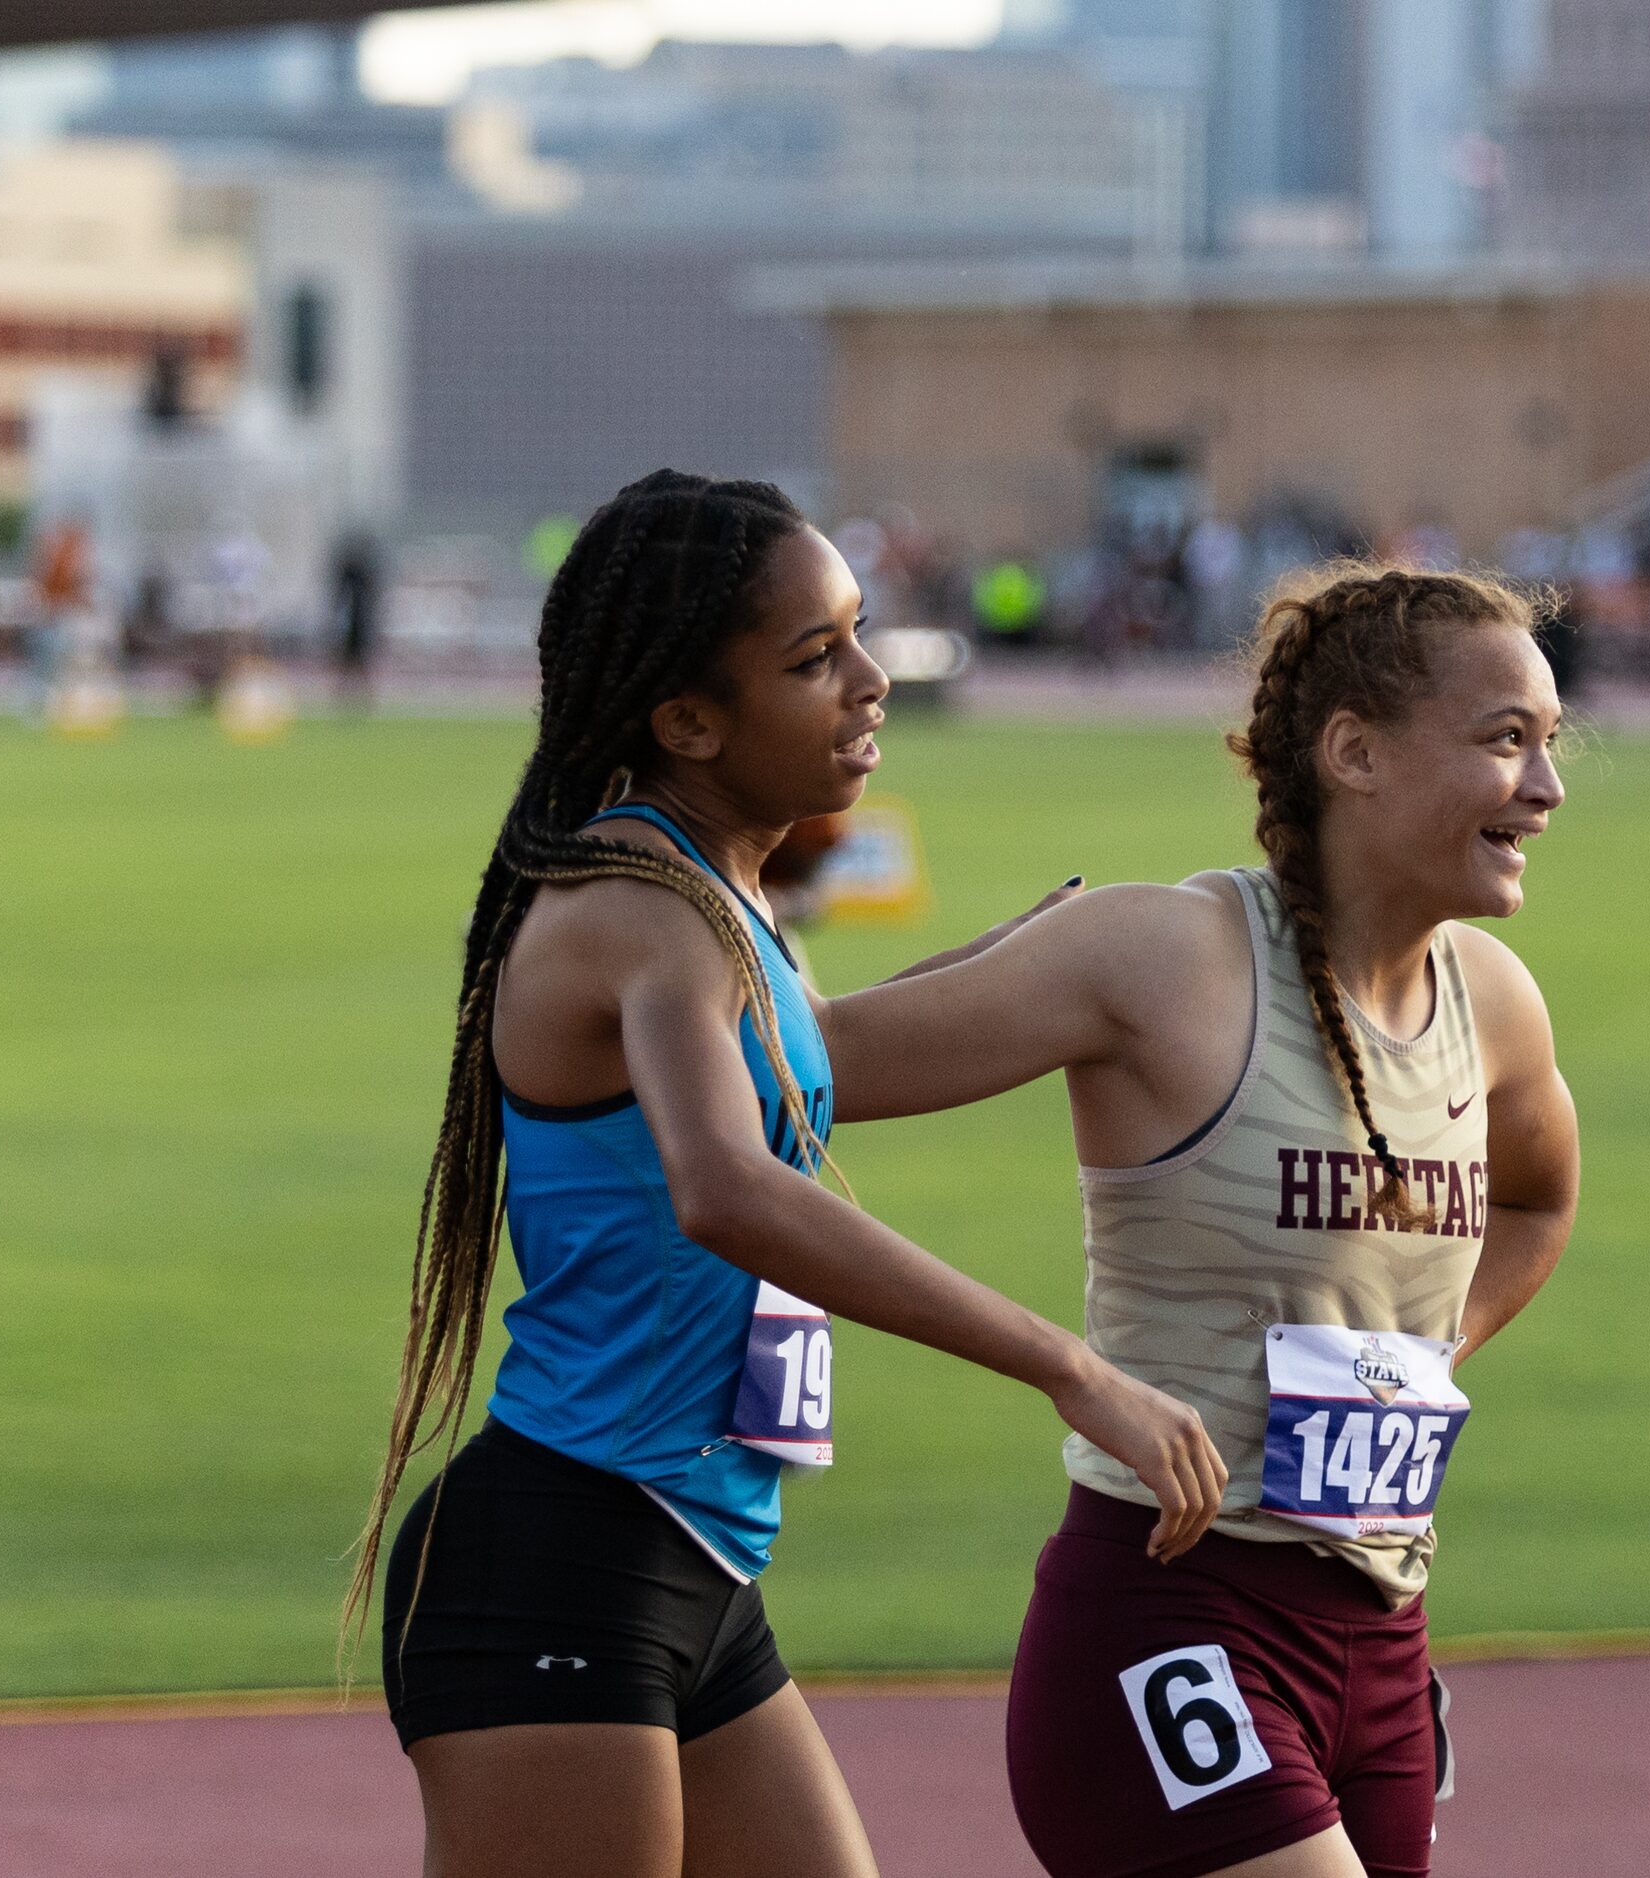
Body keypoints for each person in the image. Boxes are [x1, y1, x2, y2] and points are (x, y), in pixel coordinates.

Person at [349, 470, 1227, 1878]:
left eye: (860, 634)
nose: (872, 681)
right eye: (817, 658)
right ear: (687, 720)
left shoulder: (719, 897)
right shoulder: (643, 909)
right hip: (563, 1555)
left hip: (684, 1561)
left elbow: (818, 1067)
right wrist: (1071, 1364)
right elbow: (730, 1184)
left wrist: (1030, 966)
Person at [814, 564, 1584, 1877]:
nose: (1546, 790)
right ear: (1354, 751)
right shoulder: (1160, 958)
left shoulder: (1493, 1002)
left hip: (1382, 1644)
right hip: (1170, 1613)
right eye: (1505, 740)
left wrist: (1421, 1351)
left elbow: (1536, 1194)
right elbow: (793, 1076)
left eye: (1551, 746)